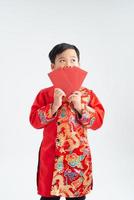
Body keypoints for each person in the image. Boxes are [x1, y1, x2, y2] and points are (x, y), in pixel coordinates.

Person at [29, 43, 105, 200]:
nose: (68, 64)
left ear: (79, 64)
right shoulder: (45, 95)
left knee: (77, 196)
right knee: (49, 196)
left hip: (78, 159)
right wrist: (54, 105)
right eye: (62, 60)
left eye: (73, 59)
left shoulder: (87, 95)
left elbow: (97, 121)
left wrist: (80, 107)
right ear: (53, 66)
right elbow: (35, 121)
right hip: (51, 157)